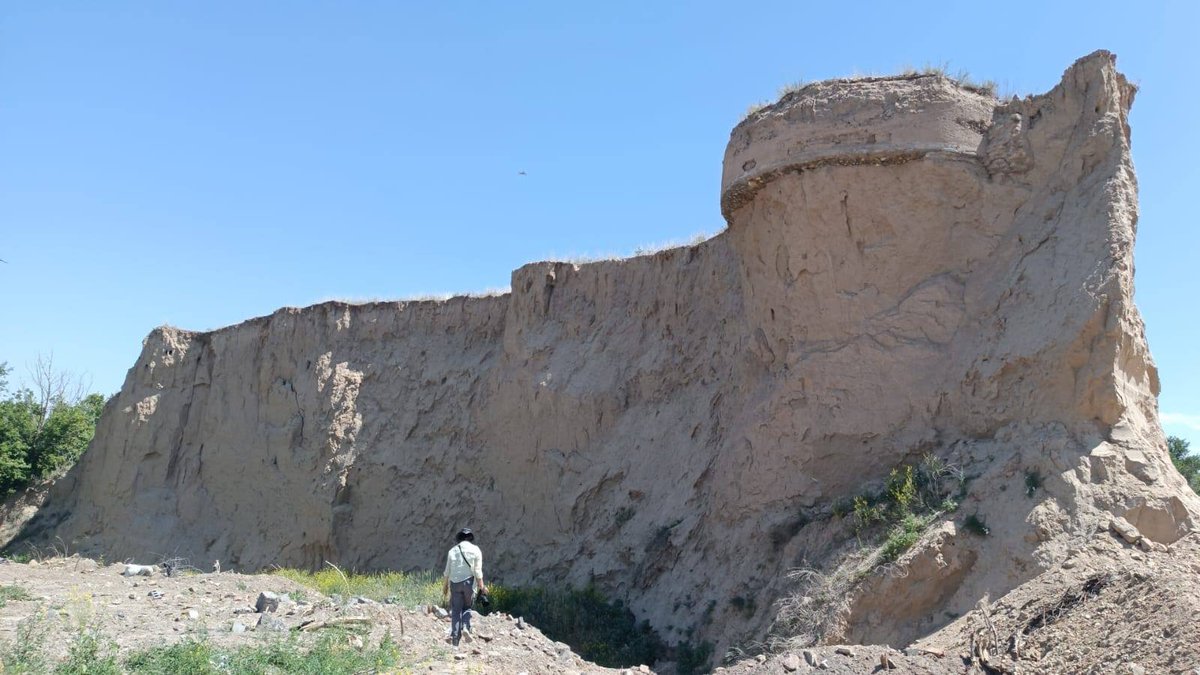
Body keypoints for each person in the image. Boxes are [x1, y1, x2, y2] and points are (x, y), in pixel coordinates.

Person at [442, 527, 487, 646]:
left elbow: (447, 571)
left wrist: (445, 586)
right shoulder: (476, 549)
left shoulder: (452, 551)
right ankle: (466, 627)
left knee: (456, 611)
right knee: (467, 607)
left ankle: (455, 641)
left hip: (455, 584)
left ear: (459, 538)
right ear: (470, 538)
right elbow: (477, 571)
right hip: (469, 583)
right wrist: (482, 586)